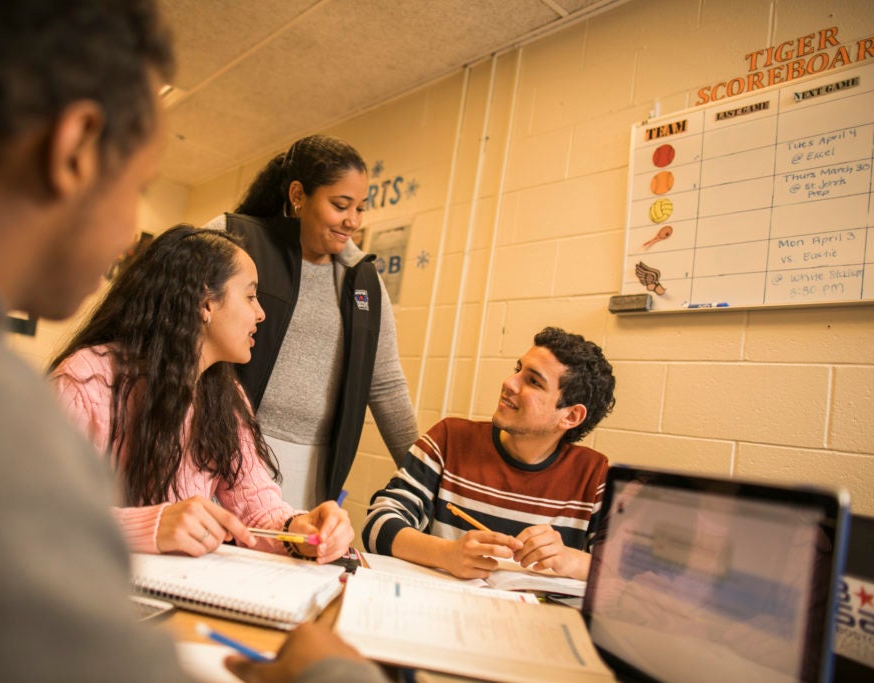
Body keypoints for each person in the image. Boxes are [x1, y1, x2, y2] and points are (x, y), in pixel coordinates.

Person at [0, 1, 385, 681]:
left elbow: (255, 500)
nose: (131, 233)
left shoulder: (222, 396)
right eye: (138, 186)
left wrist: (297, 527)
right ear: (75, 148)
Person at [48, 226, 353, 564]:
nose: (261, 313)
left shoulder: (224, 396)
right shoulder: (86, 380)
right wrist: (151, 526)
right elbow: (34, 511)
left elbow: (257, 512)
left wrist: (301, 531)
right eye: (250, 296)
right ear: (206, 303)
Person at [203, 135, 418, 508]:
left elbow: (386, 385)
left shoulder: (363, 280)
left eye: (360, 208)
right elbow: (171, 330)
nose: (353, 221)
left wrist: (424, 478)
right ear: (298, 195)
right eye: (340, 205)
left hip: (313, 469)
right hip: (220, 447)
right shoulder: (234, 238)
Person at [363, 327, 617, 582]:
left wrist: (570, 559)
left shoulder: (594, 475)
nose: (509, 383)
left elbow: (624, 576)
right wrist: (445, 554)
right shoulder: (449, 439)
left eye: (533, 381)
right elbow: (378, 524)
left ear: (571, 416)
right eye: (518, 370)